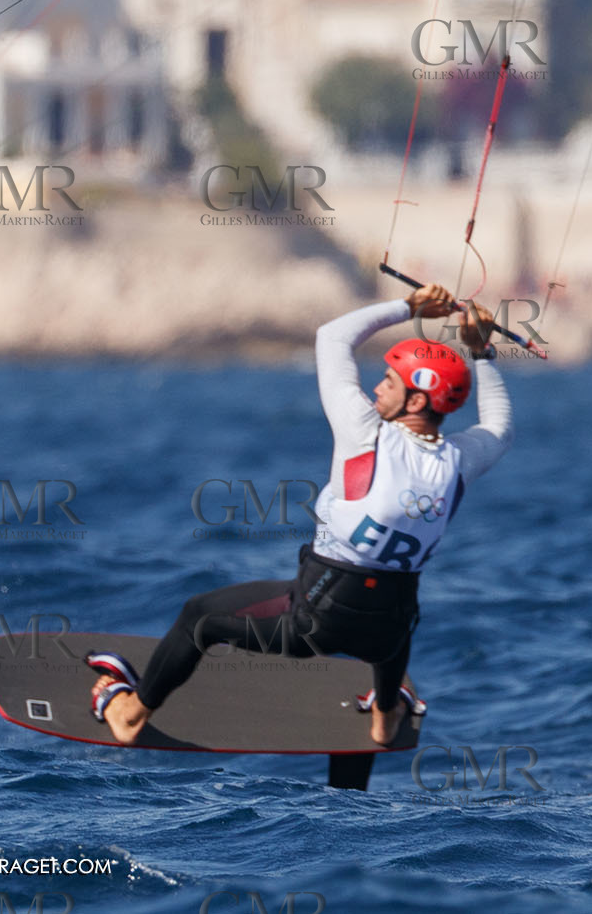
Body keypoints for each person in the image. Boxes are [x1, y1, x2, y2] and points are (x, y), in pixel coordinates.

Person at [88, 284, 513, 746]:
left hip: (315, 619)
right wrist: (481, 352)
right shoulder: (460, 461)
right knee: (392, 617)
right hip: (388, 632)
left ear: (415, 402)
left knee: (198, 617)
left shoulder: (364, 431)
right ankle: (385, 717)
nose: (376, 387)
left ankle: (130, 714)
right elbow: (499, 427)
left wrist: (408, 307)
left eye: (390, 382)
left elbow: (333, 336)